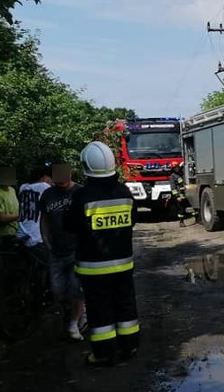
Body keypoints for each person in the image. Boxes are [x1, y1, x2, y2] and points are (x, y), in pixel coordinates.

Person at [65, 141, 140, 366]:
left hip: (93, 266)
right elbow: (132, 220)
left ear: (86, 166)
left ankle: (103, 353)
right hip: (123, 264)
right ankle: (129, 346)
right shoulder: (124, 192)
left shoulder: (82, 196)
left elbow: (70, 226)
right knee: (126, 305)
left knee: (100, 310)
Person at [40, 163, 86, 341]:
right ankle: (75, 312)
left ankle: (74, 323)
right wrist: (45, 239)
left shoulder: (79, 192)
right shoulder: (48, 194)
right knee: (57, 289)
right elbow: (44, 219)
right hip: (56, 250)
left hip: (77, 249)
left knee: (76, 288)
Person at [17, 165, 52, 268]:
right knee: (54, 266)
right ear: (44, 178)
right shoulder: (44, 186)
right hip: (36, 237)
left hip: (23, 232)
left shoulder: (23, 187)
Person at [0, 166, 19, 253]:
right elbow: (2, 218)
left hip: (16, 231)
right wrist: (21, 215)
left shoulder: (12, 190)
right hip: (4, 234)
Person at [168, 162, 192, 227]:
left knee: (191, 207)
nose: (177, 169)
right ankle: (181, 222)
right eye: (175, 168)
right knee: (181, 209)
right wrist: (177, 196)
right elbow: (173, 188)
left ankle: (197, 218)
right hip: (180, 195)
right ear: (173, 169)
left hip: (186, 193)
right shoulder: (172, 176)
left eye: (177, 167)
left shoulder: (182, 174)